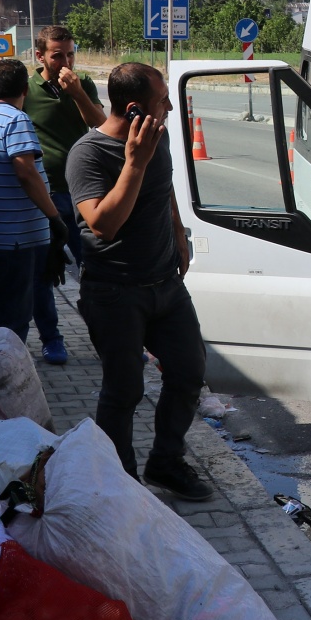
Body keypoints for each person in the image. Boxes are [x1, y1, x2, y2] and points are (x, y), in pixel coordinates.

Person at [67, 62, 211, 501]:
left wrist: (178, 232)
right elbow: (102, 224)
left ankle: (165, 463)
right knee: (124, 390)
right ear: (134, 108)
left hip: (165, 284)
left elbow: (164, 187)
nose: (169, 107)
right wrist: (134, 162)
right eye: (162, 100)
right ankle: (119, 481)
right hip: (114, 292)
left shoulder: (156, 136)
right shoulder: (88, 154)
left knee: (189, 372)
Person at [0, 58, 67, 344]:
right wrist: (54, 218)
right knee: (14, 318)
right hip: (14, 240)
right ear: (25, 90)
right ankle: (7, 366)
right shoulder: (16, 120)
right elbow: (26, 172)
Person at [25, 26, 105, 364]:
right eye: (58, 55)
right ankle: (51, 339)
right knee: (45, 272)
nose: (66, 61)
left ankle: (106, 338)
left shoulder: (83, 84)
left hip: (82, 193)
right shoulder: (27, 89)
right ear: (40, 56)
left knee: (96, 269)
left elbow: (100, 124)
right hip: (45, 195)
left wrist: (78, 93)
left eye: (70, 54)